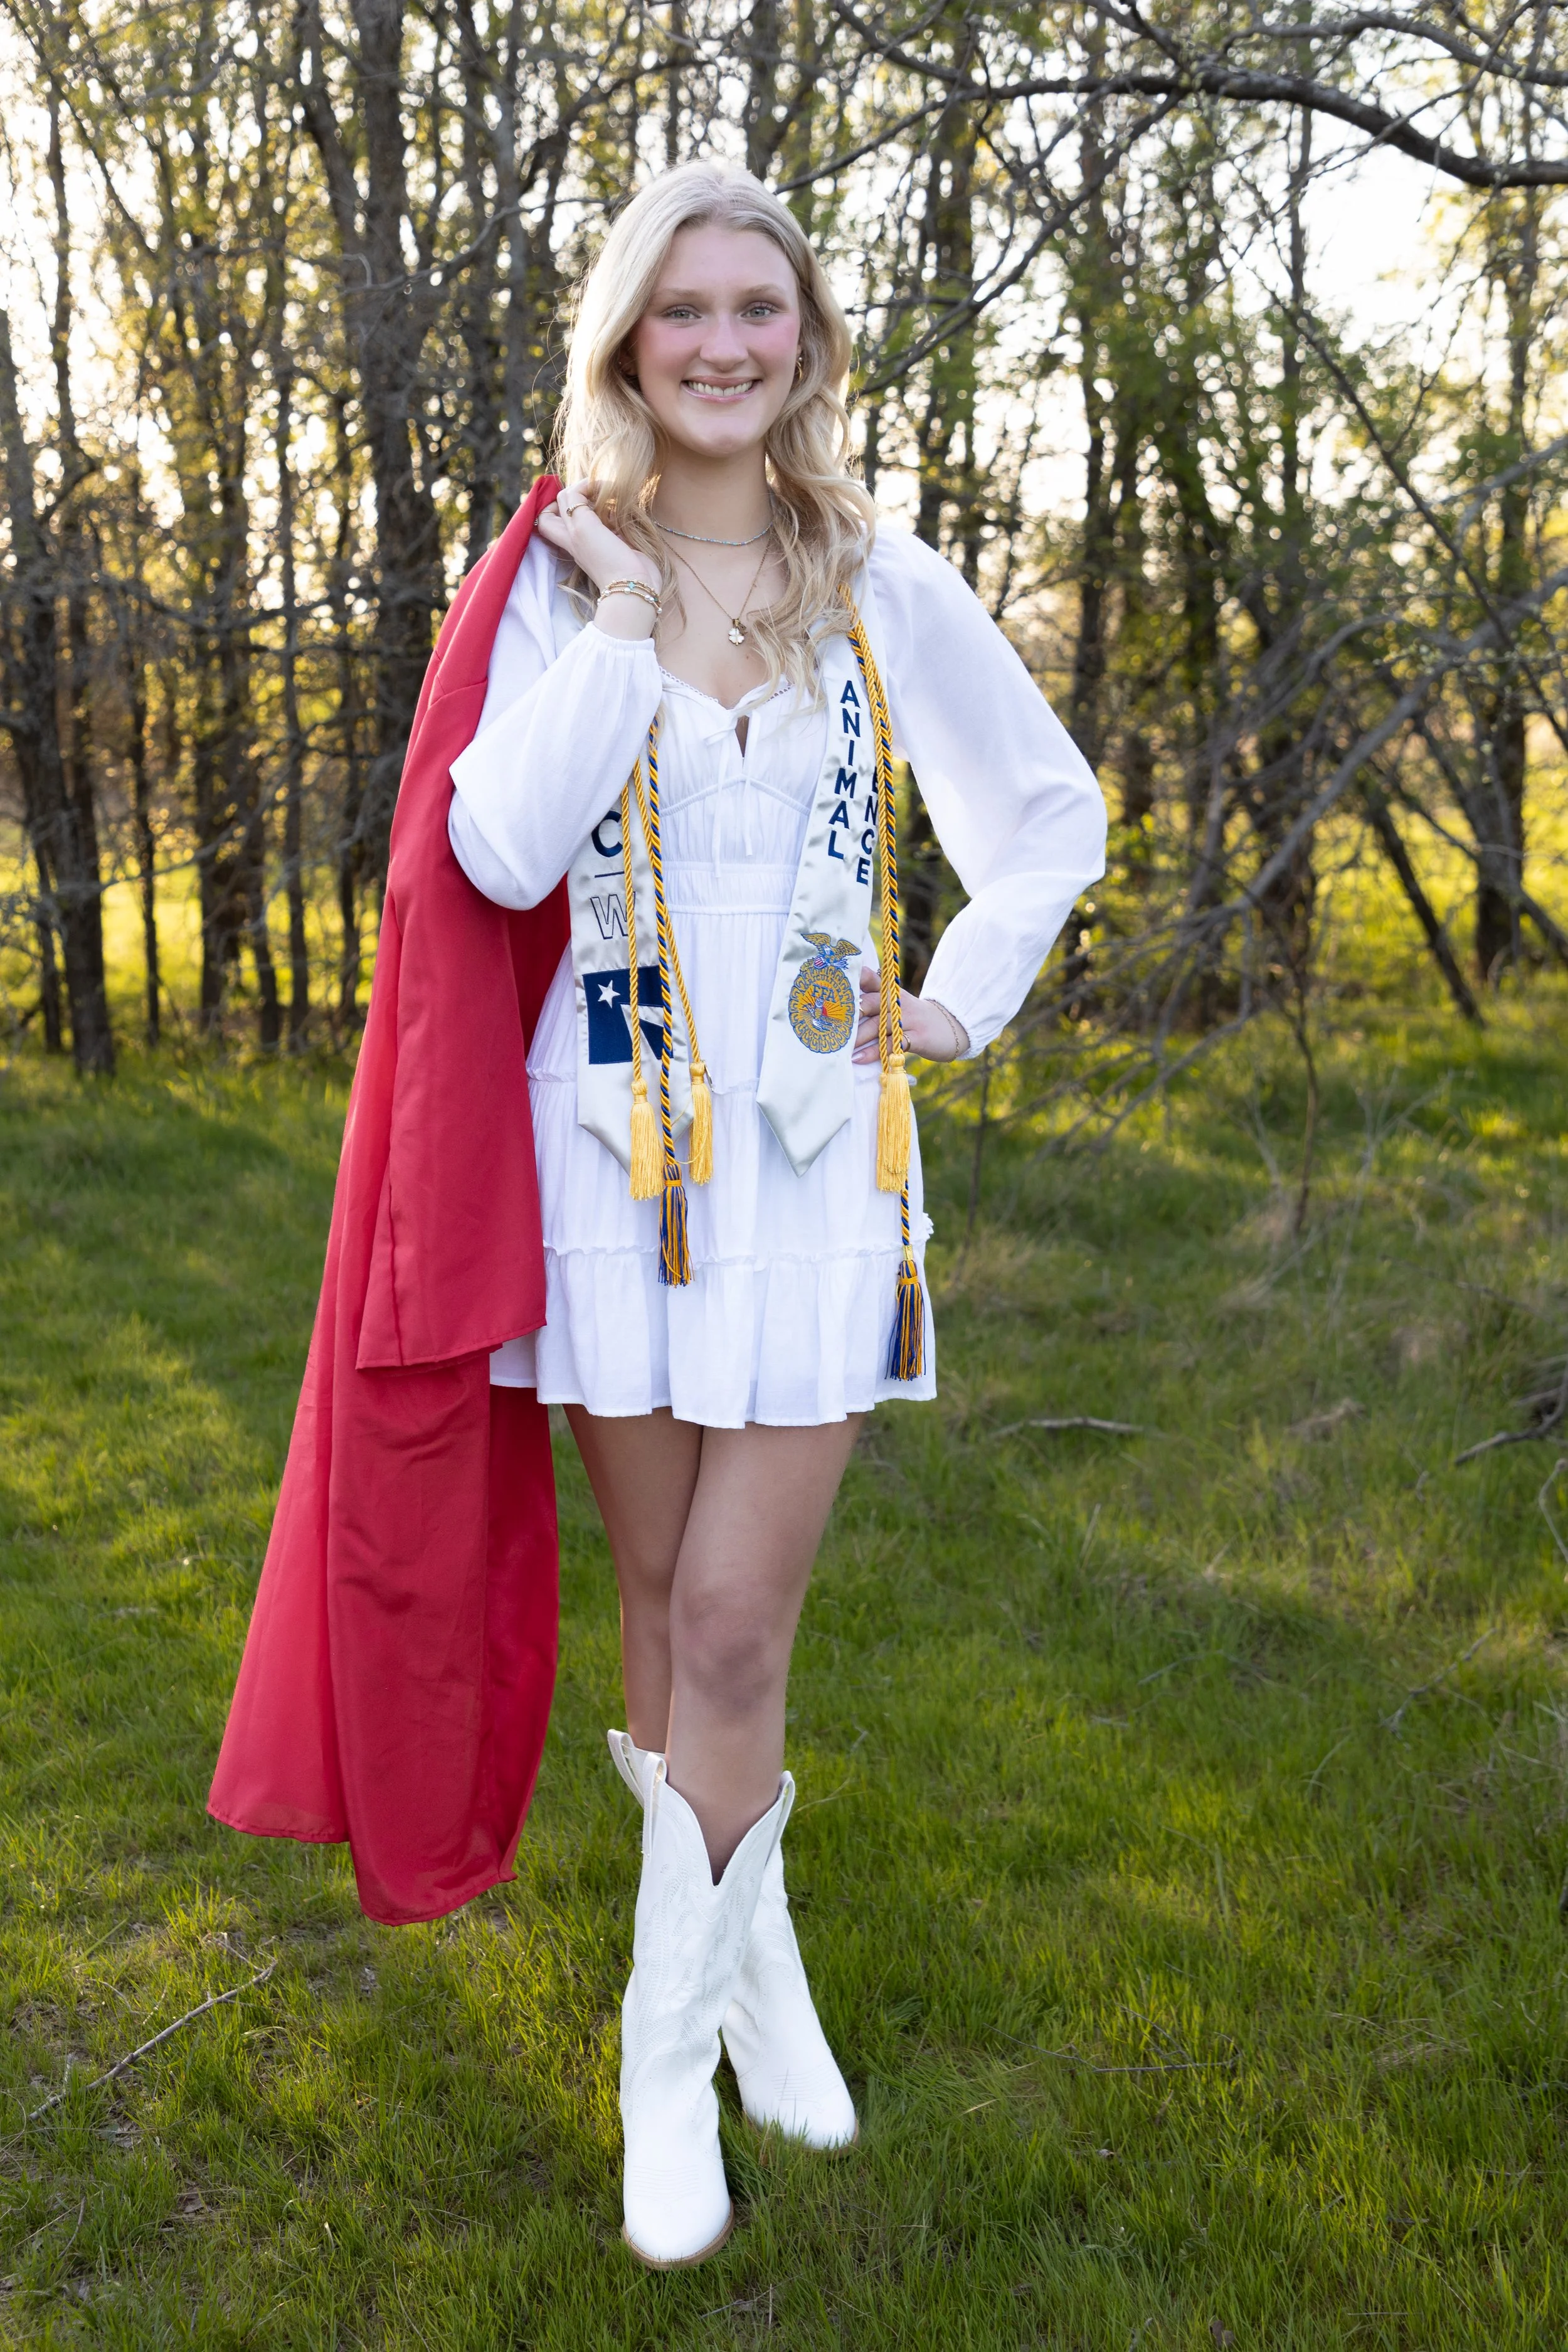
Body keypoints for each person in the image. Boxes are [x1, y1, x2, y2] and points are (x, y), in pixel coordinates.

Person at [441, 163, 1106, 2265]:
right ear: (627, 339)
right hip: (617, 1160)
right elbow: (495, 851)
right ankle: (758, 1983)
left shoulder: (872, 573)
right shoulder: (557, 571)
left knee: (733, 1622)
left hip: (817, 1167)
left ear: (805, 338)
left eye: (760, 308)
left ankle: (660, 2062)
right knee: (660, 1606)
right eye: (684, 309)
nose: (723, 344)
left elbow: (1046, 811)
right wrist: (615, 626)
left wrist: (955, 1002)